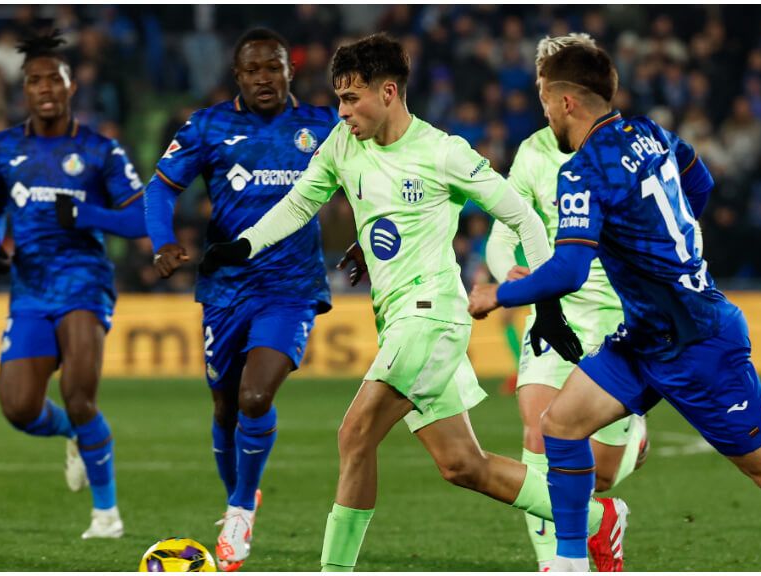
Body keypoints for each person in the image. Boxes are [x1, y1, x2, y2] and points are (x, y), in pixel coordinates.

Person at [468, 44, 761, 572]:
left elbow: (569, 271)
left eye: (542, 99)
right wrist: (662, 241)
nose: (542, 111)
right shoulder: (649, 133)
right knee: (559, 426)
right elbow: (700, 180)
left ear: (563, 102)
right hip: (646, 336)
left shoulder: (583, 170)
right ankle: (569, 564)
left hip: (700, 343)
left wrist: (499, 294)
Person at [201, 33, 628, 572]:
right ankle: (596, 519)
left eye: (352, 98)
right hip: (399, 320)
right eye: (338, 98)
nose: (343, 111)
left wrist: (545, 305)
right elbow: (298, 203)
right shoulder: (342, 144)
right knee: (462, 465)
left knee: (354, 435)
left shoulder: (442, 152)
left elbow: (520, 213)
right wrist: (243, 246)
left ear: (388, 92)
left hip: (431, 319)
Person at [143, 28, 337, 572]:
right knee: (225, 405)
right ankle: (241, 495)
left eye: (272, 68)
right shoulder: (208, 127)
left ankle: (238, 511)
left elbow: (371, 182)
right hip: (226, 290)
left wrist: (371, 240)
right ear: (238, 76)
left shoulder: (324, 127)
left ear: (289, 70)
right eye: (252, 70)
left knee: (255, 397)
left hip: (291, 289)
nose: (263, 79)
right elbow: (160, 188)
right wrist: (162, 240)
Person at [484, 33, 651, 572]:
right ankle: (557, 563)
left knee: (596, 473)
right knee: (539, 431)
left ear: (570, 93)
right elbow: (501, 233)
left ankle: (614, 488)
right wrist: (502, 269)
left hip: (619, 316)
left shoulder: (624, 144)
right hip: (555, 315)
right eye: (539, 80)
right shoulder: (532, 152)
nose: (542, 92)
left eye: (548, 82)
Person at [0, 30, 147, 540]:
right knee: (19, 408)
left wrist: (86, 213)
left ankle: (106, 517)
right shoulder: (3, 148)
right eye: (34, 80)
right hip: (29, 289)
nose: (45, 87)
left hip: (83, 282)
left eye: (55, 78)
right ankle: (75, 433)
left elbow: (141, 217)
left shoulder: (100, 150)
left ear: (72, 86)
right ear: (22, 89)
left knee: (79, 394)